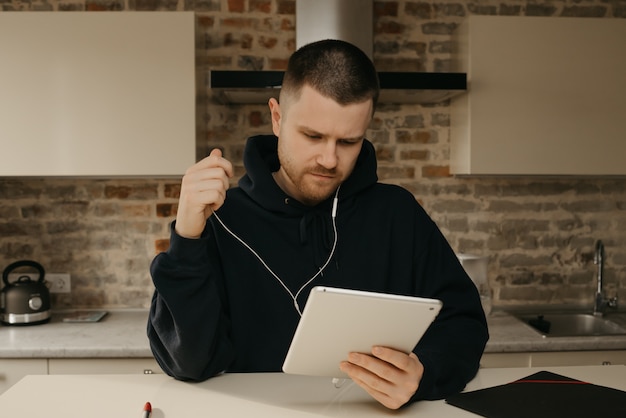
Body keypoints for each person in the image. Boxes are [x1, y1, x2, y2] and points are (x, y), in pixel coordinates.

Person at [147, 39, 488, 410]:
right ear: (277, 118)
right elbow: (188, 362)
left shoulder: (398, 214)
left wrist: (424, 372)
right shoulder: (221, 219)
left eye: (349, 141)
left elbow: (464, 322)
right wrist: (186, 236)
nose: (329, 159)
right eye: (313, 136)